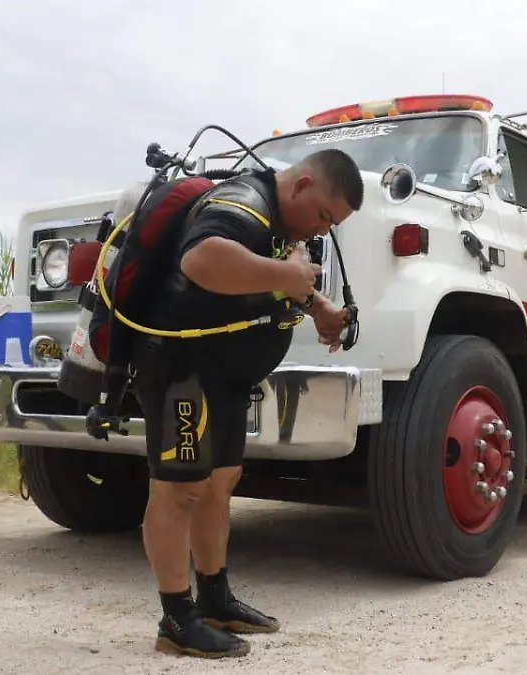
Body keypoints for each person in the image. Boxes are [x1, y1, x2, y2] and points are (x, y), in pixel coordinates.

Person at [128, 148, 364, 659]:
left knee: (218, 485)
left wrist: (317, 305)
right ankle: (177, 618)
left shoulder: (281, 224)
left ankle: (214, 598)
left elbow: (263, 275)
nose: (323, 230)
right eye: (323, 214)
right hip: (183, 371)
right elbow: (204, 259)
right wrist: (288, 276)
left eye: (333, 224)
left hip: (226, 377)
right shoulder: (243, 204)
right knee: (179, 492)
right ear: (301, 186)